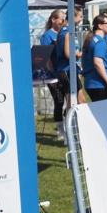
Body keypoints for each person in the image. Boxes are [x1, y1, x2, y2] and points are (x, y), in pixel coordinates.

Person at [40, 9, 67, 137]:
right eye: (61, 19)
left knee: (69, 99)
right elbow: (46, 58)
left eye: (64, 19)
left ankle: (69, 126)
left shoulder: (64, 33)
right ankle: (60, 130)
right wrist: (53, 72)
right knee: (59, 100)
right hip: (53, 75)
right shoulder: (47, 36)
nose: (63, 21)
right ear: (53, 20)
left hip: (64, 72)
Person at [54, 6, 86, 107]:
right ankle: (70, 121)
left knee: (77, 101)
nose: (82, 19)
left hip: (70, 69)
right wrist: (82, 53)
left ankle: (72, 120)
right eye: (80, 16)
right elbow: (68, 54)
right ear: (73, 17)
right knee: (75, 102)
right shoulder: (67, 32)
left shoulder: (69, 30)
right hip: (67, 70)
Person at [82, 14, 107, 102]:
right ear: (100, 26)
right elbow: (97, 62)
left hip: (90, 83)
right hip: (99, 84)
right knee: (105, 113)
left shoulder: (91, 39)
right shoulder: (100, 42)